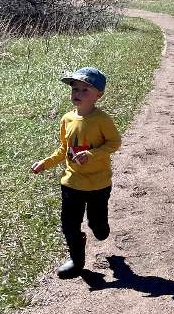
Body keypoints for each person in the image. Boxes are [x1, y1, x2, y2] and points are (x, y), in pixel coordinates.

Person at [29, 66, 121, 279]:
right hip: (72, 183)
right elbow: (64, 149)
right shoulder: (67, 119)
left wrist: (92, 154)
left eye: (84, 90)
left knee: (97, 226)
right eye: (74, 89)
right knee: (69, 225)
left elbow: (114, 143)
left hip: (98, 184)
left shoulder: (101, 120)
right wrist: (46, 162)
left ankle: (100, 225)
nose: (77, 94)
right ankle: (76, 262)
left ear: (99, 94)